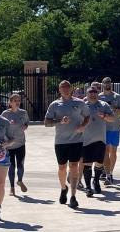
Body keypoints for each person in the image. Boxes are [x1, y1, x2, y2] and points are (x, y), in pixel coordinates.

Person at [44, 80, 90, 209]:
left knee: (74, 166)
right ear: (59, 90)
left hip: (76, 140)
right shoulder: (55, 105)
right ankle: (63, 188)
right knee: (62, 168)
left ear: (71, 89)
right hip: (61, 141)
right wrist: (60, 121)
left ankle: (73, 196)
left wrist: (83, 126)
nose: (65, 89)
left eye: (67, 87)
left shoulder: (79, 103)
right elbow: (46, 122)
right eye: (62, 87)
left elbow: (87, 116)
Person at [82, 87, 116, 196]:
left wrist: (104, 116)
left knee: (99, 163)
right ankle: (88, 187)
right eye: (90, 92)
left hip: (100, 139)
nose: (93, 94)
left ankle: (96, 181)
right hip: (86, 140)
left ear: (98, 94)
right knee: (87, 164)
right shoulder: (83, 105)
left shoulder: (103, 105)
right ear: (86, 94)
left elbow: (113, 118)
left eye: (95, 92)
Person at [98, 77, 120, 186]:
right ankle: (107, 173)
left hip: (114, 127)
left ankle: (110, 172)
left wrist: (115, 108)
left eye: (109, 83)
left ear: (111, 84)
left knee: (113, 151)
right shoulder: (99, 97)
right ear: (102, 84)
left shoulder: (117, 97)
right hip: (102, 128)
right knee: (105, 151)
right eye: (105, 83)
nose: (107, 85)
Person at [1, 94, 30, 196]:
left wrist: (25, 127)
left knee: (21, 165)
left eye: (18, 100)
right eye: (15, 100)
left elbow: (27, 123)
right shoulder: (5, 114)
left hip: (20, 143)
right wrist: (5, 140)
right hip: (9, 145)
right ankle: (12, 188)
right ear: (10, 102)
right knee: (11, 166)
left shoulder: (23, 113)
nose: (17, 102)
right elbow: (1, 127)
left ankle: (20, 181)